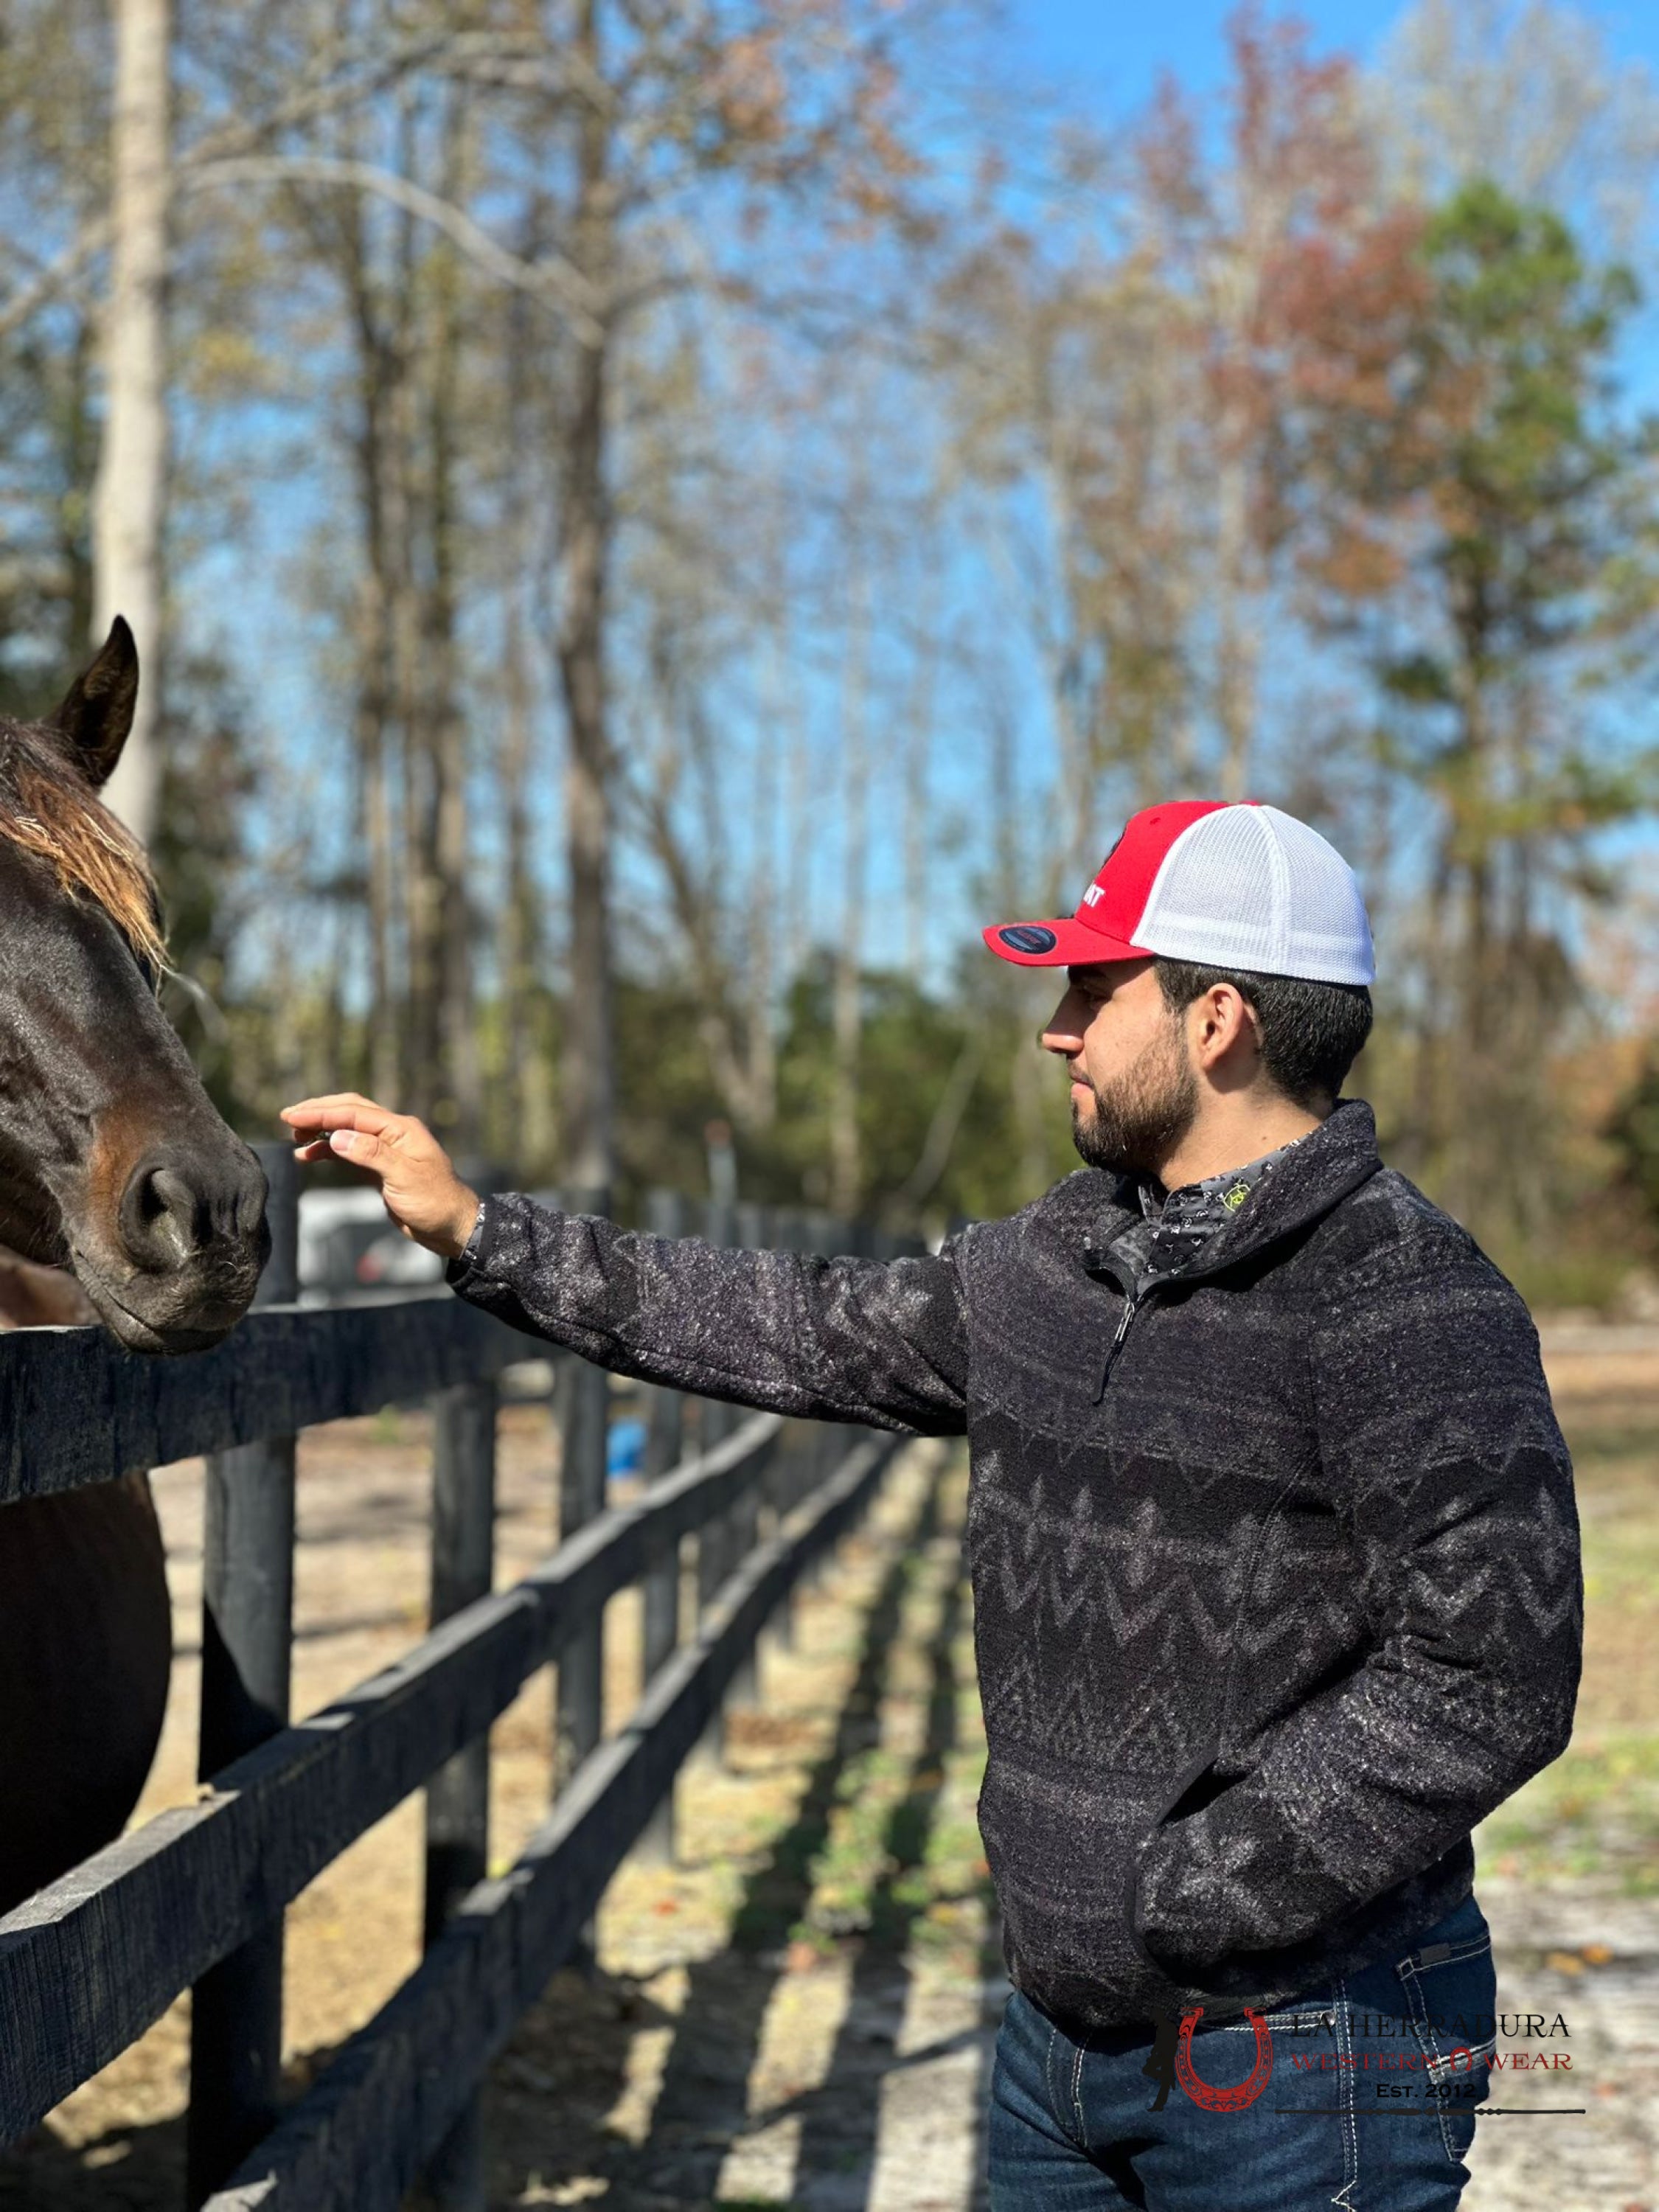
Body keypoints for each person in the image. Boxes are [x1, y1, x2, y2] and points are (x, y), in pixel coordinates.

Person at [282, 797, 1582, 2212]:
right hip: (1055, 2044)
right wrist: (479, 1228)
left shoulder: (1404, 1297)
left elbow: (1491, 1674)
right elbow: (792, 1321)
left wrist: (1190, 1897)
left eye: (1093, 987)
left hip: (1304, 2052)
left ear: (1216, 1022)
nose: (1057, 1028)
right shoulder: (1051, 1263)